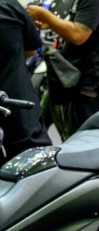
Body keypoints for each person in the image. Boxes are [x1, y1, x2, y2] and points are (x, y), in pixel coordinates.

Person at [27, 0, 99, 139]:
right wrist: (52, 23)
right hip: (72, 84)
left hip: (92, 90)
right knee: (35, 131)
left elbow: (78, 34)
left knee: (85, 148)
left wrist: (45, 16)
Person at [0, 0, 50, 164]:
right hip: (18, 107)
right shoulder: (9, 6)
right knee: (34, 167)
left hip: (16, 105)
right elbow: (30, 49)